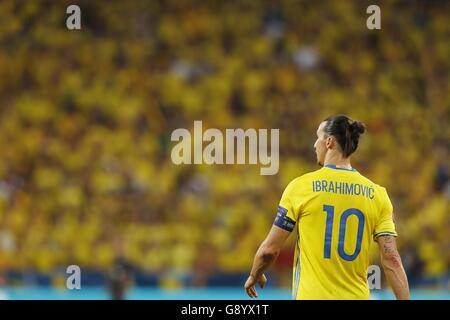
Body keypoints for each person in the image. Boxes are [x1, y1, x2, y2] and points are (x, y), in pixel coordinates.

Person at [244, 115, 410, 300]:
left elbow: (269, 251)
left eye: (318, 137)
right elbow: (392, 260)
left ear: (329, 142)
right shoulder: (378, 195)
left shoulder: (301, 187)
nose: (315, 144)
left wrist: (254, 274)